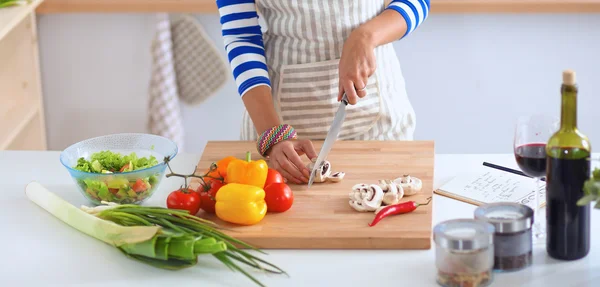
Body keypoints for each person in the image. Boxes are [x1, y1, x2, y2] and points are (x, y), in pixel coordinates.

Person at [215, 0, 430, 184]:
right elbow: (241, 36)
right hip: (277, 125)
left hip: (380, 126)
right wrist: (272, 134)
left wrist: (366, 36)